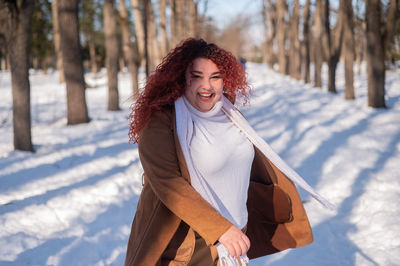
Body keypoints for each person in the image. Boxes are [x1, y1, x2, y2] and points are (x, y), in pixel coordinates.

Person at [124, 38, 332, 266]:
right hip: (190, 245)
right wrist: (221, 229)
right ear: (181, 78)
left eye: (215, 77)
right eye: (197, 77)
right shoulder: (162, 120)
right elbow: (167, 182)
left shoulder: (230, 114)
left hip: (234, 239)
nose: (207, 86)